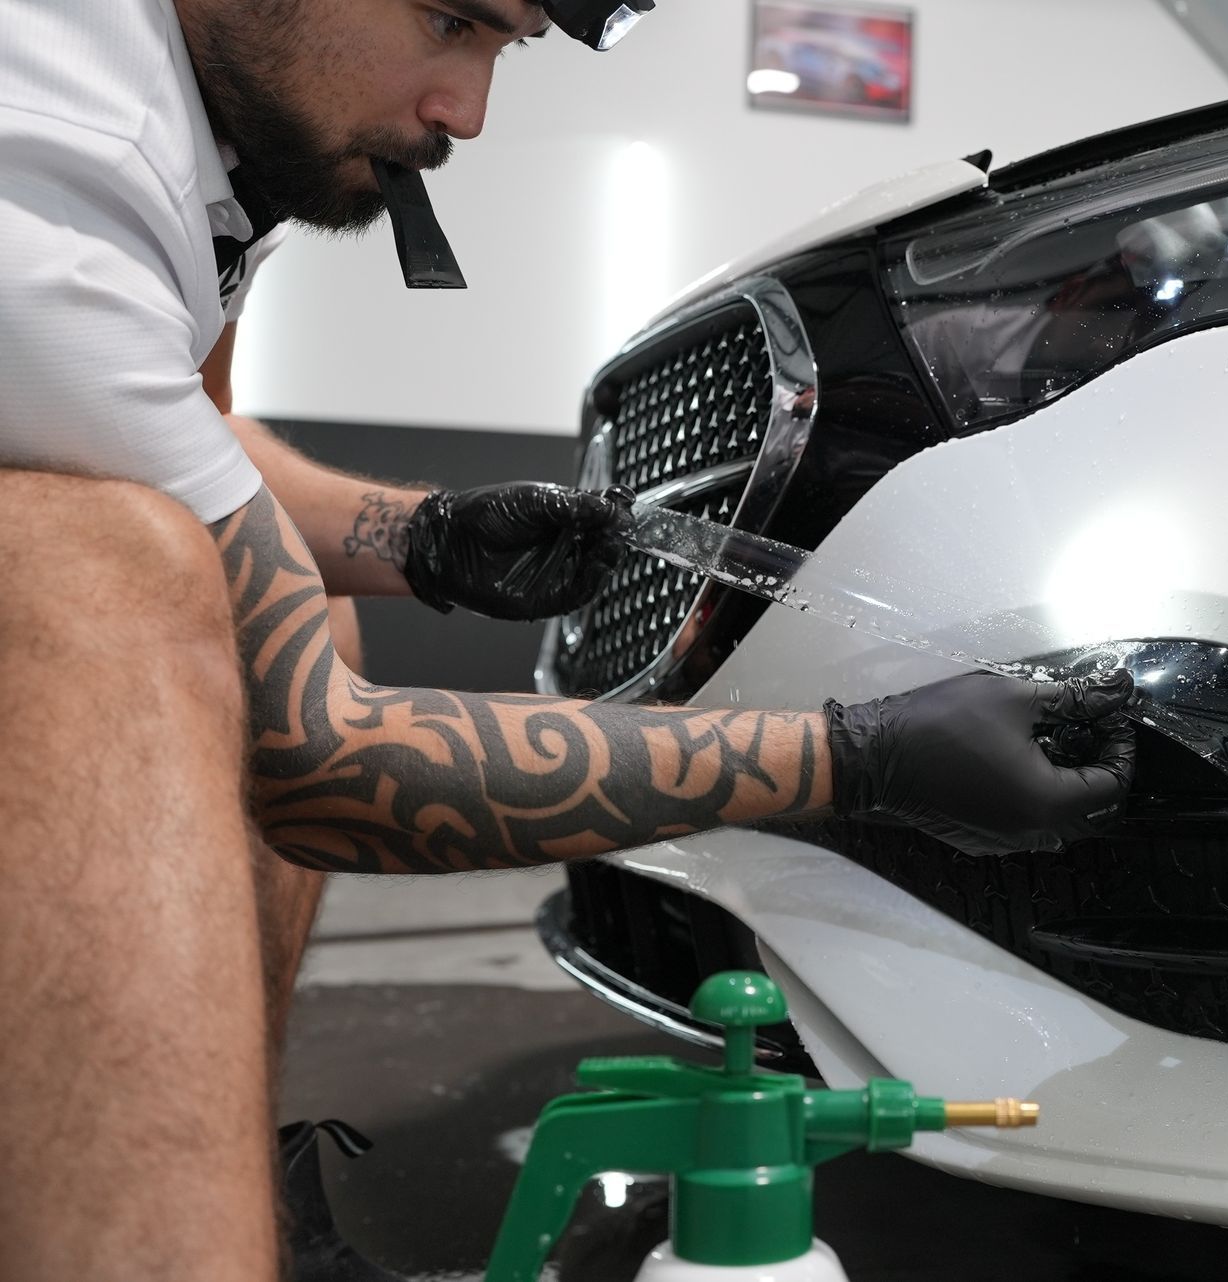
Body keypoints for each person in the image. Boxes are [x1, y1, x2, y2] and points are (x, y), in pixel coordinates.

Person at [0, 3, 1137, 1279]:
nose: (465, 111)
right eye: (450, 21)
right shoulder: (47, 185)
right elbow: (322, 766)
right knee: (89, 581)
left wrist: (420, 535)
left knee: (291, 598)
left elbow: (195, 458)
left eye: (505, 49)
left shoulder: (190, 130)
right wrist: (859, 761)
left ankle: (208, 1159)